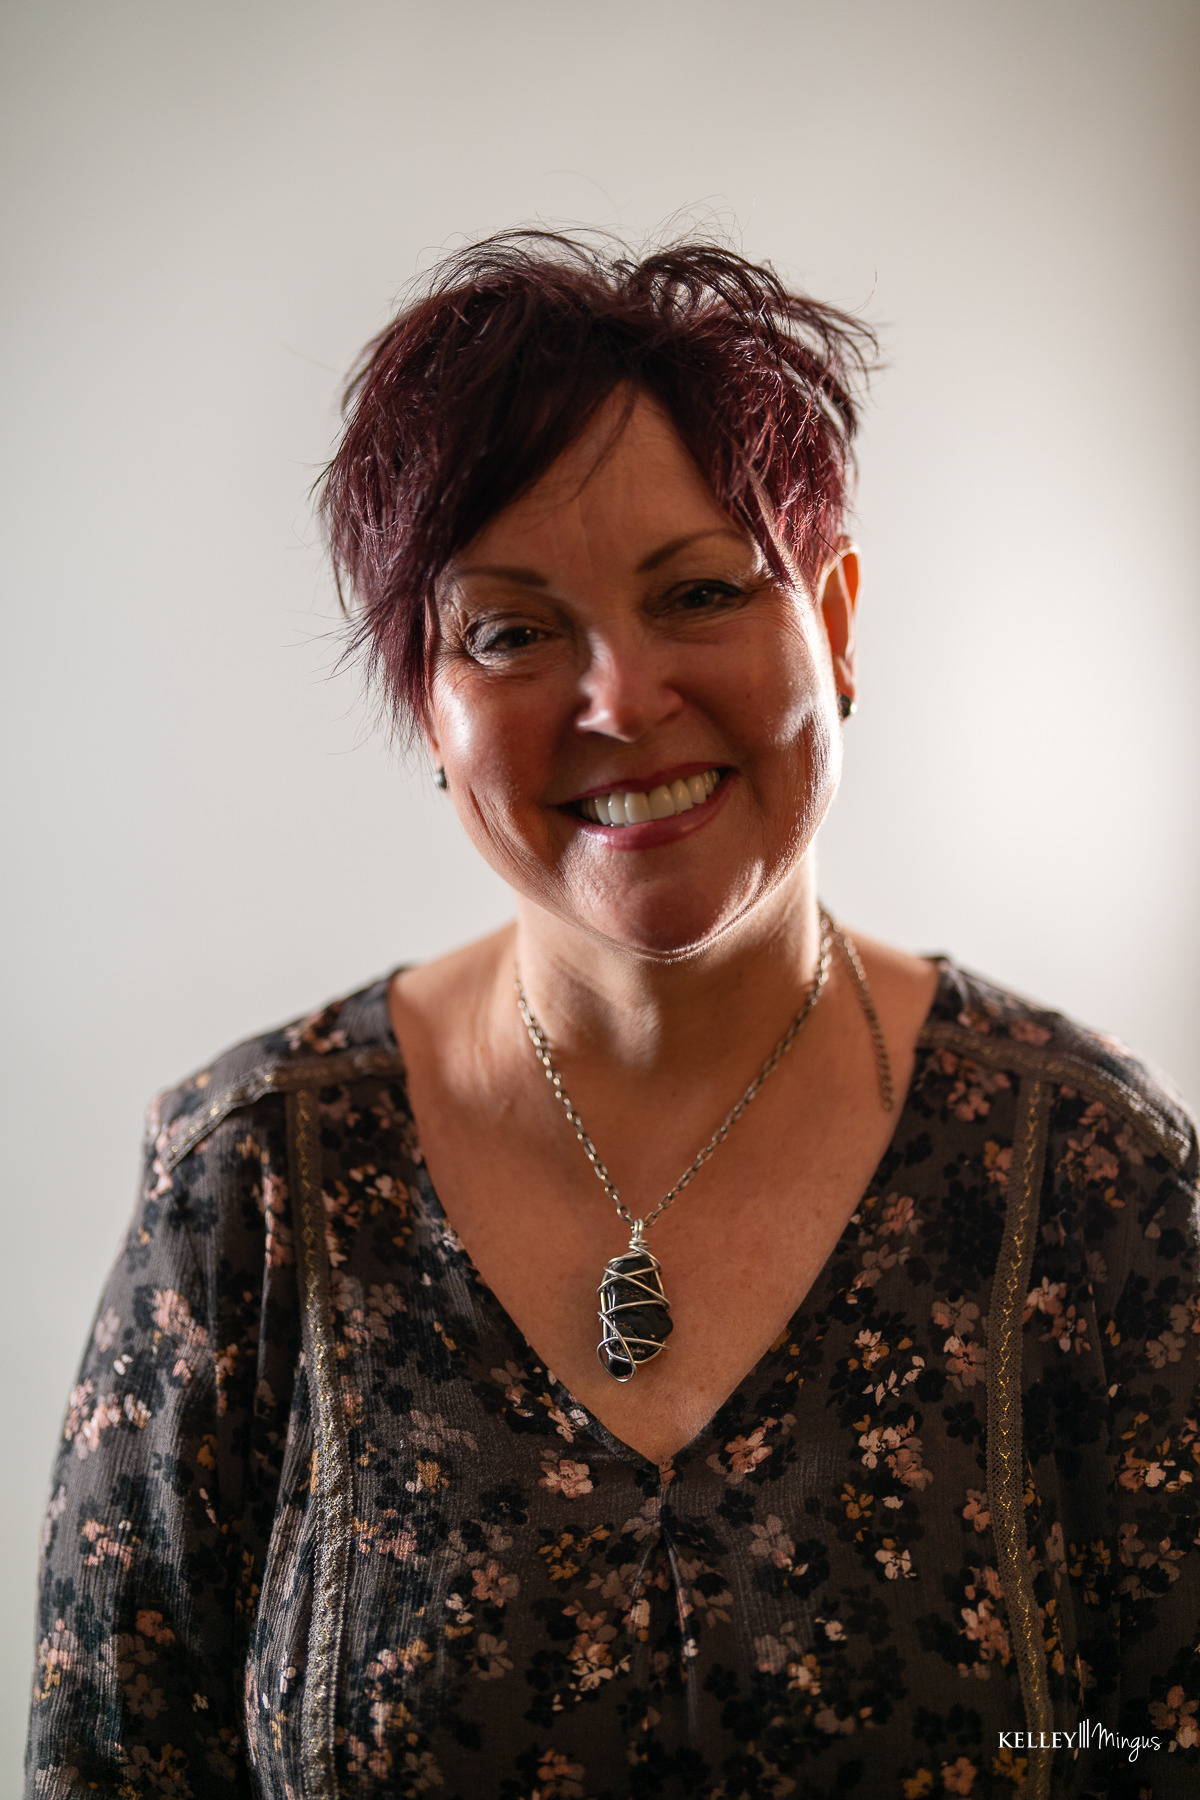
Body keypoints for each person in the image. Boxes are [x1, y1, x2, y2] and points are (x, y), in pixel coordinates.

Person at [27, 234, 1199, 1800]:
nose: (621, 701)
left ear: (836, 626)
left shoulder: (1094, 1175)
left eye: (703, 591)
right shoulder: (251, 1186)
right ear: (426, 709)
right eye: (511, 630)